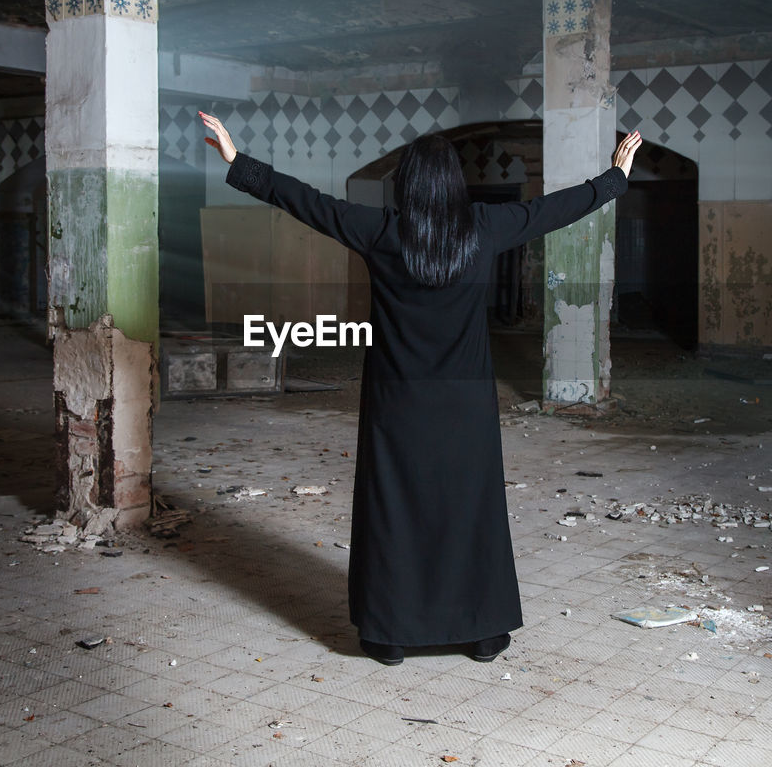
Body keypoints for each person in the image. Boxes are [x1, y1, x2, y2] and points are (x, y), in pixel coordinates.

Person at [200, 110, 641, 665]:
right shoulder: (484, 227)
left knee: (395, 510)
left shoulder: (381, 231)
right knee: (469, 508)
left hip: (398, 403)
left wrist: (238, 163)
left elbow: (308, 203)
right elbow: (552, 211)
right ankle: (483, 634)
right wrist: (613, 180)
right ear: (454, 184)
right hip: (466, 404)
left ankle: (389, 636)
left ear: (406, 185)